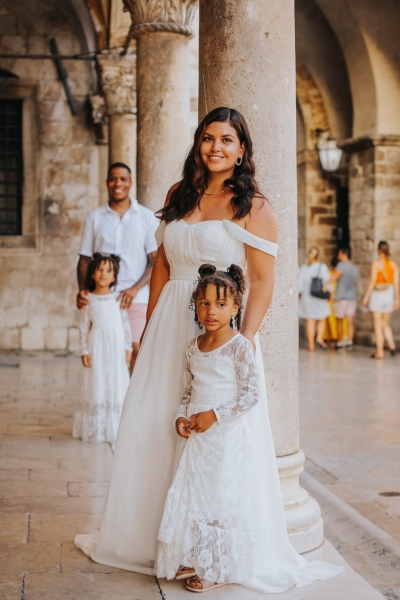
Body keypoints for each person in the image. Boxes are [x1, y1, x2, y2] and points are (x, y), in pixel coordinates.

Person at [75, 107, 342, 592]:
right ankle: (159, 541)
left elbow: (262, 280)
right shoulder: (180, 195)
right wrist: (148, 331)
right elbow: (160, 267)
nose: (215, 147)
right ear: (198, 144)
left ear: (242, 150)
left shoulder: (253, 206)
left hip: (218, 331)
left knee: (214, 444)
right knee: (152, 425)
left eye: (226, 139)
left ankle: (207, 552)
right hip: (168, 326)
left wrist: (242, 338)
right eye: (207, 138)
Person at [157, 264, 260, 592]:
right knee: (196, 497)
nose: (211, 310)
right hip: (197, 442)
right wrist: (180, 417)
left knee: (220, 501)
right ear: (195, 305)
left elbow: (251, 394)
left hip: (226, 439)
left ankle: (216, 568)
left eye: (220, 303)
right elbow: (188, 392)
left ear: (235, 307)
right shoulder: (192, 347)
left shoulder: (239, 346)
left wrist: (214, 415)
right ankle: (194, 555)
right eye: (204, 303)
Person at [76, 162, 158, 371]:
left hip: (136, 297)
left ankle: (134, 403)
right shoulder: (94, 218)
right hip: (103, 297)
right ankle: (113, 401)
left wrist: (135, 288)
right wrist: (84, 291)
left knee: (136, 349)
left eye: (123, 179)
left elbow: (154, 259)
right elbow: (85, 259)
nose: (117, 183)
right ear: (107, 183)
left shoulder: (146, 217)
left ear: (130, 183)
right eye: (113, 178)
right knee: (107, 352)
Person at [72, 253, 132, 444]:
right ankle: (95, 428)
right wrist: (84, 350)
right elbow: (83, 326)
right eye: (100, 269)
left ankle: (115, 426)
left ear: (114, 277)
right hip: (96, 344)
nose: (104, 274)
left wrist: (127, 347)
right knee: (97, 380)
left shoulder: (117, 298)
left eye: (108, 271)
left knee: (115, 380)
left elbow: (125, 325)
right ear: (92, 274)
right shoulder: (88, 299)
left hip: (115, 345)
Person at [362, 240, 399, 359]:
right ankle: (392, 345)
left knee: (377, 324)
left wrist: (366, 296)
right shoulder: (393, 264)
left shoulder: (376, 263)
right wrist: (397, 299)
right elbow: (396, 284)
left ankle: (380, 351)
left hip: (378, 294)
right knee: (384, 322)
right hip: (389, 293)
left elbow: (372, 280)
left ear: (379, 250)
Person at [298, 247, 331, 351]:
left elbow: (299, 284)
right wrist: (329, 290)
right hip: (319, 297)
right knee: (322, 317)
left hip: (307, 297)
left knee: (310, 320)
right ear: (319, 256)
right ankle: (319, 338)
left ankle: (311, 344)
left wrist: (299, 294)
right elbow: (327, 281)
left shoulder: (304, 268)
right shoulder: (322, 267)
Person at [331, 247, 359, 350]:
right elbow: (355, 283)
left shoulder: (341, 265)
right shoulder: (354, 267)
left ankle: (339, 343)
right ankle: (350, 342)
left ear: (344, 254)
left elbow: (335, 277)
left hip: (341, 297)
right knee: (350, 321)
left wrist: (326, 284)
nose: (338, 256)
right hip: (352, 297)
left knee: (339, 320)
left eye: (339, 254)